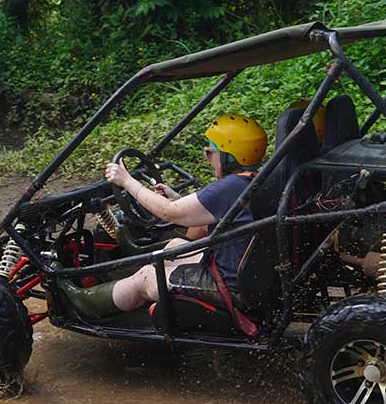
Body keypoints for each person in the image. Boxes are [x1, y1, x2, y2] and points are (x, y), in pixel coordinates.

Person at [58, 114, 268, 319]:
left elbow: (169, 212)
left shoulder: (230, 187)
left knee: (147, 277)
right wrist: (177, 199)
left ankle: (86, 303)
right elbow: (203, 219)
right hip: (245, 276)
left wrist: (126, 181)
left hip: (230, 287)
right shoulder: (254, 181)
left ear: (228, 157)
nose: (207, 159)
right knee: (174, 246)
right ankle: (123, 291)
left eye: (209, 152)